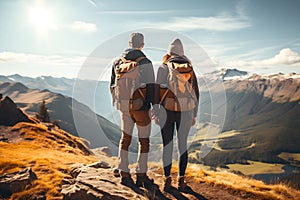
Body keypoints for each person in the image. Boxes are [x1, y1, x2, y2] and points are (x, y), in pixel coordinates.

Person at [110, 32, 156, 189]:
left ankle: (124, 173)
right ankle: (141, 175)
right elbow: (151, 88)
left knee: (125, 138)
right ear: (142, 44)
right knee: (144, 141)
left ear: (130, 44)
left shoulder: (117, 62)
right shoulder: (146, 62)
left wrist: (119, 102)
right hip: (141, 107)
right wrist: (151, 107)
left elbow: (112, 85)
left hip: (124, 107)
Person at [154, 38, 199, 192]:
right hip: (186, 111)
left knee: (167, 145)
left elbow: (156, 92)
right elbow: (195, 92)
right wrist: (194, 114)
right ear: (182, 52)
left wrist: (156, 112)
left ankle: (167, 180)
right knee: (182, 146)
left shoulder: (164, 67)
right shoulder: (189, 67)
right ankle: (181, 181)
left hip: (166, 111)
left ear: (169, 51)